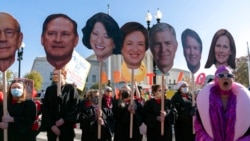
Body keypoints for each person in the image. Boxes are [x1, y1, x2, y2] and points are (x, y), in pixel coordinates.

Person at [195, 66, 250, 140]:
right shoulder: (206, 100)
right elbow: (199, 126)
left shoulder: (244, 99)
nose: (226, 78)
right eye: (221, 75)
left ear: (233, 79)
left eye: (229, 76)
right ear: (216, 79)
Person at [40, 67, 79, 141]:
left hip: (67, 126)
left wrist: (64, 120)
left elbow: (75, 107)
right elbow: (45, 108)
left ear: (64, 75)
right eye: (54, 74)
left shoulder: (71, 89)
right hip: (52, 127)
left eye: (57, 74)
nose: (55, 75)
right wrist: (52, 125)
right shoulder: (50, 89)